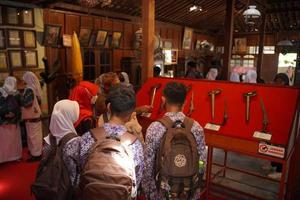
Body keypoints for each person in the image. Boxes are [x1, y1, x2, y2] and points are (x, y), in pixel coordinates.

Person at [63, 84, 144, 188]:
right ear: (131, 114)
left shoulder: (89, 137)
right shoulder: (135, 144)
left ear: (109, 107)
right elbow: (137, 179)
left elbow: (68, 156)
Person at [142, 82, 206, 200]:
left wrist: (149, 192)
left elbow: (148, 165)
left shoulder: (155, 128)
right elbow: (202, 161)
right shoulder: (196, 127)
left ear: (163, 100)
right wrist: (196, 188)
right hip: (188, 191)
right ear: (185, 102)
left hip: (161, 191)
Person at [43, 99, 80, 185]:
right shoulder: (74, 142)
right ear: (69, 115)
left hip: (52, 184)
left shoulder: (48, 139)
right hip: (69, 189)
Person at [0, 76, 23, 163]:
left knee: (12, 140)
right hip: (4, 121)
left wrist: (13, 114)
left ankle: (14, 156)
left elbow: (19, 106)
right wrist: (6, 113)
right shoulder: (2, 92)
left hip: (10, 121)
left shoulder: (16, 93)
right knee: (4, 141)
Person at [22, 71, 43, 162]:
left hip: (32, 116)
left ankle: (36, 155)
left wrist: (19, 100)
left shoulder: (29, 89)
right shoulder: (34, 88)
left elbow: (27, 103)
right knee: (34, 135)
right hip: (34, 116)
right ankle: (35, 152)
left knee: (33, 136)